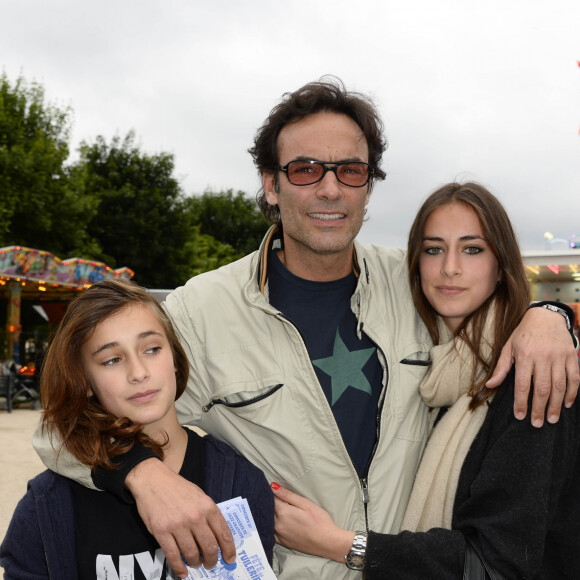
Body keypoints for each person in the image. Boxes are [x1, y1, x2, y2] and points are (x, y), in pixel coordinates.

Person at [33, 79, 579, 580]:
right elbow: (63, 423)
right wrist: (143, 477)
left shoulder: (417, 280)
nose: (329, 189)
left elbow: (494, 314)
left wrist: (550, 317)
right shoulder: (200, 312)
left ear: (368, 188)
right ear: (271, 185)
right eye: (304, 170)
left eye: (350, 170)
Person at [271, 182, 580, 578]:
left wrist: (338, 543)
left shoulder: (531, 378)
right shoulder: (435, 367)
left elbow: (497, 563)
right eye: (433, 249)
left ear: (501, 266)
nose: (450, 267)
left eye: (472, 249)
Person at [0, 280, 274, 579]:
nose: (139, 372)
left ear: (176, 361)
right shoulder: (46, 506)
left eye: (152, 349)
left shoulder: (239, 479)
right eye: (112, 359)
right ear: (85, 383)